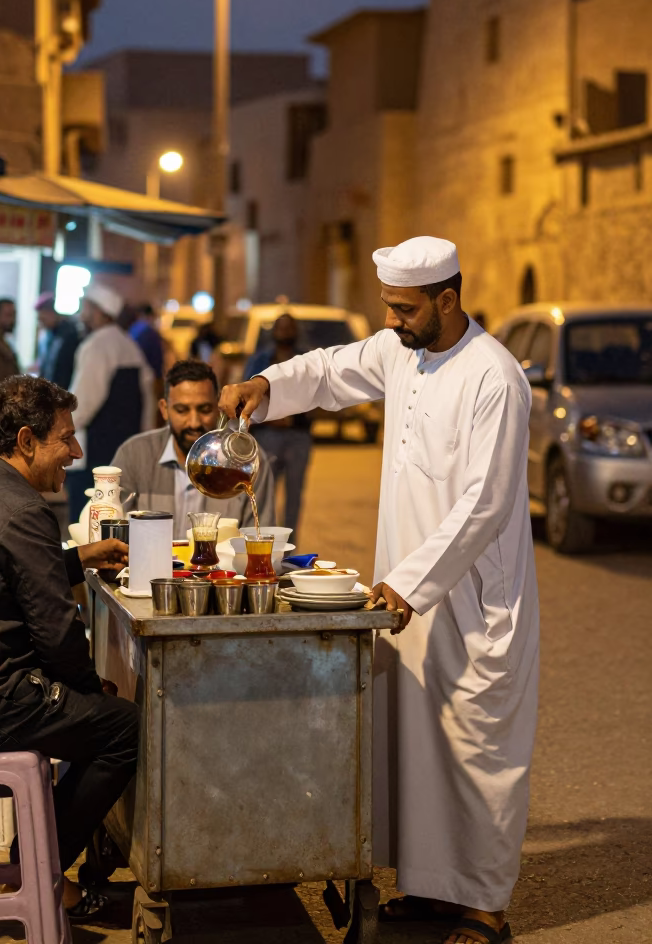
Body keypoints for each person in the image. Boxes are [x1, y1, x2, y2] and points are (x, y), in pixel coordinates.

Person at [220, 236, 539, 944]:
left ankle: (485, 906)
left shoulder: (495, 376)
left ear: (446, 300)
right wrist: (264, 387)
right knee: (416, 740)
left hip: (474, 598)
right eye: (388, 306)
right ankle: (430, 890)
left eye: (403, 307)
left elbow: (485, 502)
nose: (391, 320)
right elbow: (331, 372)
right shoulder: (402, 351)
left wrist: (410, 583)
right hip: (405, 591)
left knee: (477, 749)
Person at [0, 374, 137, 921]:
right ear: (26, 441)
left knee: (96, 712)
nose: (75, 451)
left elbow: (5, 575)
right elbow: (57, 635)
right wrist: (94, 692)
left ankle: (32, 857)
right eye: (64, 438)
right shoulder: (25, 511)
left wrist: (80, 557)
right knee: (124, 728)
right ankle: (34, 869)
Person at [111, 359, 275, 538]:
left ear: (220, 407)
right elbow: (113, 529)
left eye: (204, 409)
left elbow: (260, 537)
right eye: (182, 410)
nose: (194, 422)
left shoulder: (246, 460)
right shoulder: (134, 455)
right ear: (164, 409)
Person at [65, 283, 155, 520]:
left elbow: (83, 404)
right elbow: (148, 398)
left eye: (85, 307)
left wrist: (61, 432)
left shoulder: (96, 345)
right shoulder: (129, 344)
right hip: (124, 449)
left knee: (87, 520)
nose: (81, 314)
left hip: (95, 452)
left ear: (98, 312)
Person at [243, 313, 312, 541]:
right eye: (280, 327)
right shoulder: (260, 360)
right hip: (267, 435)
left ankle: (289, 550)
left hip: (298, 436)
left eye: (289, 327)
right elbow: (245, 393)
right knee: (263, 494)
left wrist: (293, 416)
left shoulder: (305, 359)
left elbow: (317, 397)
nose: (284, 331)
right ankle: (263, 547)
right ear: (273, 330)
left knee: (294, 495)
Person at [35, 292, 80, 389]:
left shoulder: (69, 334)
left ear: (51, 313)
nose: (42, 323)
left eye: (43, 319)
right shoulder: (47, 336)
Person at [128, 303, 165, 382]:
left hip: (133, 373)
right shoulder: (149, 333)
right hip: (148, 374)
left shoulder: (132, 329)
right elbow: (156, 358)